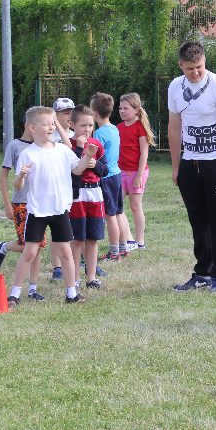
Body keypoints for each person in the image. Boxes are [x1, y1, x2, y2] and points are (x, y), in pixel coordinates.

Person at [168, 41, 216, 293]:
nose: (195, 72)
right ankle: (202, 273)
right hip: (190, 163)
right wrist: (177, 166)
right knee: (198, 220)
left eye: (199, 66)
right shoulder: (175, 87)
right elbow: (174, 127)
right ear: (181, 65)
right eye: (190, 68)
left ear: (204, 61)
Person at [8, 105, 97, 305]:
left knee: (65, 252)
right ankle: (14, 294)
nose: (51, 127)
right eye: (46, 124)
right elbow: (17, 185)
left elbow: (77, 169)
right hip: (37, 212)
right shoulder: (28, 154)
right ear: (32, 128)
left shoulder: (63, 150)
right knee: (30, 252)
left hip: (59, 210)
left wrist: (88, 156)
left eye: (52, 124)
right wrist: (21, 175)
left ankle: (71, 293)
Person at [0, 110, 47, 301]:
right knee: (28, 246)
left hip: (40, 204)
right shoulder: (15, 146)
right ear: (29, 126)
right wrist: (7, 205)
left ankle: (33, 288)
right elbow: (3, 177)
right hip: (21, 203)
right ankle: (5, 247)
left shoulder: (44, 146)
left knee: (38, 246)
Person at [68, 104, 108, 291]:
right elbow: (71, 169)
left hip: (95, 195)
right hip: (76, 196)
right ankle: (74, 278)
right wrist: (80, 149)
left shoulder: (97, 144)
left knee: (93, 238)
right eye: (83, 125)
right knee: (77, 239)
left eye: (90, 125)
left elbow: (105, 170)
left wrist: (95, 165)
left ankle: (91, 277)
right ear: (72, 125)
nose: (87, 129)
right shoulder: (67, 145)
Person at [90, 92, 133, 261]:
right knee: (118, 212)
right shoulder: (114, 128)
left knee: (110, 216)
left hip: (106, 177)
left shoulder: (99, 134)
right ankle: (123, 247)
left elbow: (96, 157)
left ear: (94, 113)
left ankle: (114, 252)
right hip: (117, 175)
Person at [117, 92, 155, 250]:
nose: (122, 111)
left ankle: (140, 241)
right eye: (120, 108)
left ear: (136, 110)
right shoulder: (118, 128)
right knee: (117, 206)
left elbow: (144, 154)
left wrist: (139, 176)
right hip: (121, 171)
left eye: (125, 108)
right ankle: (126, 238)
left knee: (135, 206)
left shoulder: (140, 127)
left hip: (136, 172)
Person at [47, 97, 75, 280]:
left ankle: (76, 259)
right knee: (56, 227)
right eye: (65, 113)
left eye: (71, 112)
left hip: (71, 187)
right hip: (55, 188)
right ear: (55, 115)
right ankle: (57, 266)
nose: (69, 116)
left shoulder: (75, 132)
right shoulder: (50, 136)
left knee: (71, 226)